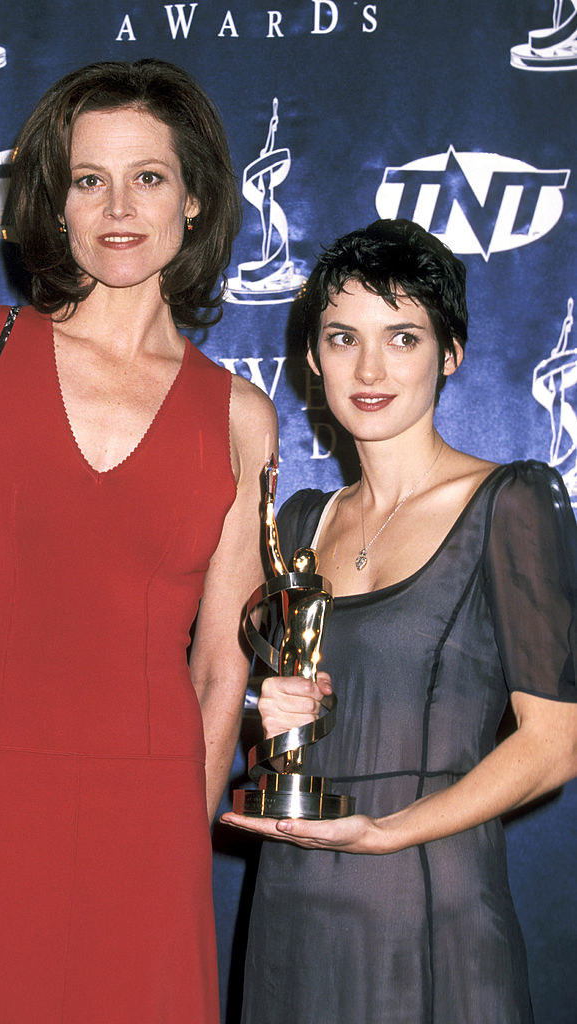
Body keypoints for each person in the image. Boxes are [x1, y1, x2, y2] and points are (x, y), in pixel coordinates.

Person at [0, 59, 277, 1023]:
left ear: (195, 198)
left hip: (152, 813)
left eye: (148, 177)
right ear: (57, 201)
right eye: (89, 179)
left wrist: (178, 837)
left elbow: (218, 673)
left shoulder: (241, 416)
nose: (118, 206)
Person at [222, 218, 577, 1023]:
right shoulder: (301, 521)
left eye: (403, 337)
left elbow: (556, 742)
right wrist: (268, 711)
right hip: (292, 911)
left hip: (429, 904)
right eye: (343, 337)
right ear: (312, 357)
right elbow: (274, 712)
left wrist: (387, 833)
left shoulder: (509, 503)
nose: (370, 368)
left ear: (449, 353)